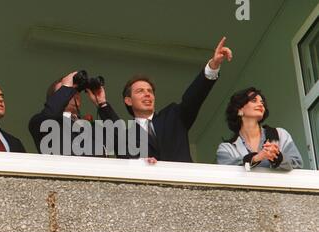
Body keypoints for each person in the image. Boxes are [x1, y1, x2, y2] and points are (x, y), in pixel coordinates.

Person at [97, 37, 233, 162]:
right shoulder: (127, 136)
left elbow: (194, 97)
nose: (147, 94)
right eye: (140, 91)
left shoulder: (173, 116)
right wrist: (102, 103)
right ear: (128, 101)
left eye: (150, 91)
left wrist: (213, 66)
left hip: (184, 184)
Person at [216, 87, 303, 170]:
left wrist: (277, 157)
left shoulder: (280, 134)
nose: (260, 104)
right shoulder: (227, 148)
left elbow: (297, 163)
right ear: (239, 110)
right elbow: (226, 171)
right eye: (254, 100)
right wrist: (254, 159)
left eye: (262, 103)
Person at [28, 72, 107, 156]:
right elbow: (49, 115)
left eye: (74, 92)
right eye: (66, 91)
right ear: (53, 98)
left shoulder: (91, 127)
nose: (71, 94)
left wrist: (102, 104)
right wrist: (66, 86)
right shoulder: (40, 122)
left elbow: (118, 139)